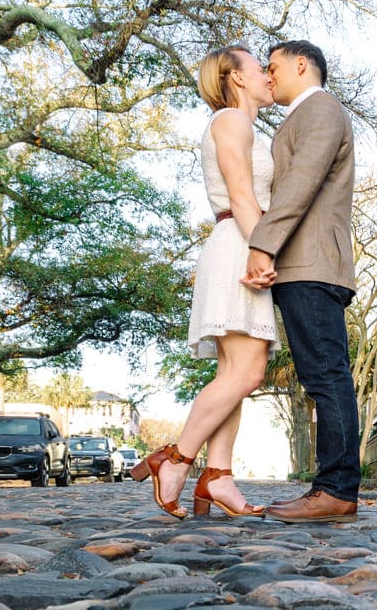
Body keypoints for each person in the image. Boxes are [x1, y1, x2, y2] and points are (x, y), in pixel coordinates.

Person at [130, 45, 277, 519]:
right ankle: (175, 460)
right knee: (249, 372)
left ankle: (219, 478)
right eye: (260, 68)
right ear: (235, 77)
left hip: (237, 238)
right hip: (240, 240)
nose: (268, 76)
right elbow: (240, 189)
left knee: (233, 375)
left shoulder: (242, 123)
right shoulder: (231, 120)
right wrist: (262, 248)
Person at [245, 39, 361, 523]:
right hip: (303, 265)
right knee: (320, 376)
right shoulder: (304, 113)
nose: (269, 76)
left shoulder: (321, 109)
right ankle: (329, 487)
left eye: (273, 67)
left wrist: (262, 241)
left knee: (326, 375)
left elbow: (301, 181)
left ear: (300, 64)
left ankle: (336, 490)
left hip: (312, 264)